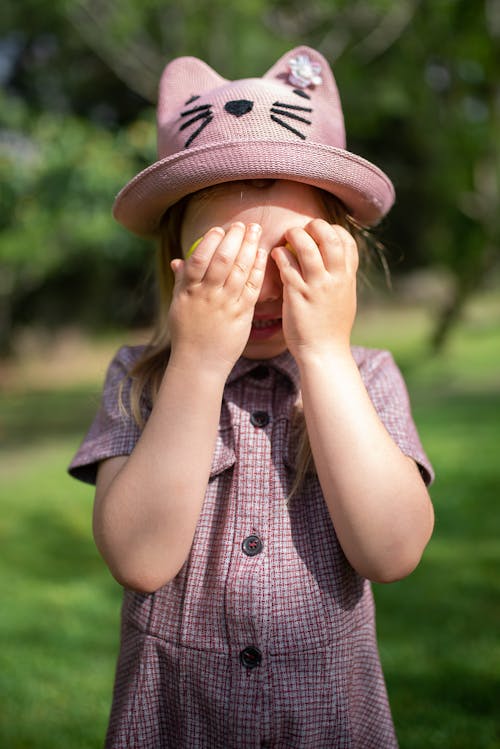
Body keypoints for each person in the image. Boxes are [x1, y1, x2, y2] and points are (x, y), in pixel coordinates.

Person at [69, 45, 434, 748]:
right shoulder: (138, 380)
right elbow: (140, 559)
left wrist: (324, 352)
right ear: (177, 261)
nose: (263, 288)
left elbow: (391, 553)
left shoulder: (368, 376)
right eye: (227, 261)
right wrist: (199, 363)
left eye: (292, 257)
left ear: (342, 252)